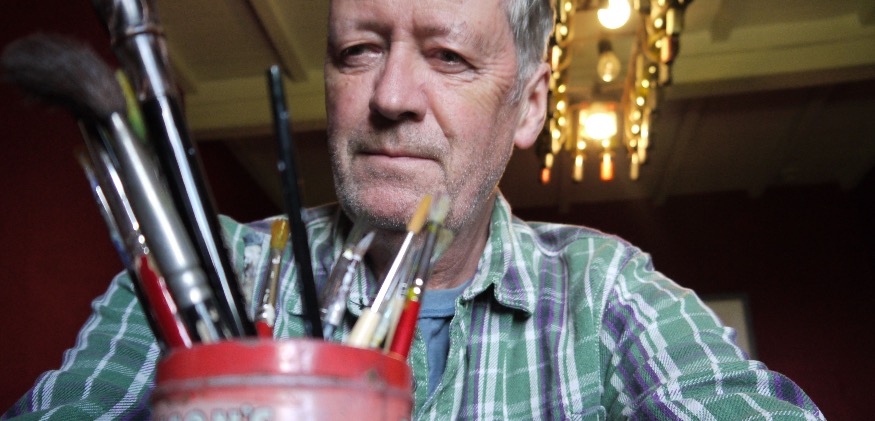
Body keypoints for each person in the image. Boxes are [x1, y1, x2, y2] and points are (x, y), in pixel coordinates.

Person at [5, 0, 824, 419]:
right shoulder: (199, 267)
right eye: (358, 50)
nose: (391, 96)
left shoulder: (606, 288)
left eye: (448, 55)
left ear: (530, 105)